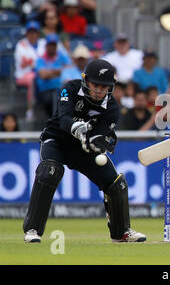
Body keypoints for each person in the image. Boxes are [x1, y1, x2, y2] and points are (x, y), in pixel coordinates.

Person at [23, 59, 146, 243]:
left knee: (116, 183)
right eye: (95, 85)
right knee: (50, 172)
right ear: (85, 80)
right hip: (57, 141)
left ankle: (122, 233)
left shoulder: (111, 107)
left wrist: (97, 143)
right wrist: (76, 128)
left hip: (84, 149)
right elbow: (63, 118)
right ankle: (32, 229)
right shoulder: (69, 89)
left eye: (104, 87)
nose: (99, 91)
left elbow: (103, 134)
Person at [14, 20, 46, 121]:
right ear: (27, 33)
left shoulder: (43, 43)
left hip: (41, 74)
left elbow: (48, 60)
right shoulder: (21, 44)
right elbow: (24, 62)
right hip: (23, 75)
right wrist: (39, 63)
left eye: (34, 32)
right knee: (32, 78)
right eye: (30, 32)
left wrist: (36, 64)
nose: (32, 34)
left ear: (38, 33)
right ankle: (30, 111)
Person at [34, 33, 71, 118]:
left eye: (54, 45)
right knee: (49, 100)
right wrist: (60, 71)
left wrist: (50, 72)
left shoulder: (61, 56)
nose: (52, 47)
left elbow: (70, 69)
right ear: (46, 45)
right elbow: (43, 75)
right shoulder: (41, 59)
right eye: (50, 45)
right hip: (46, 89)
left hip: (61, 87)